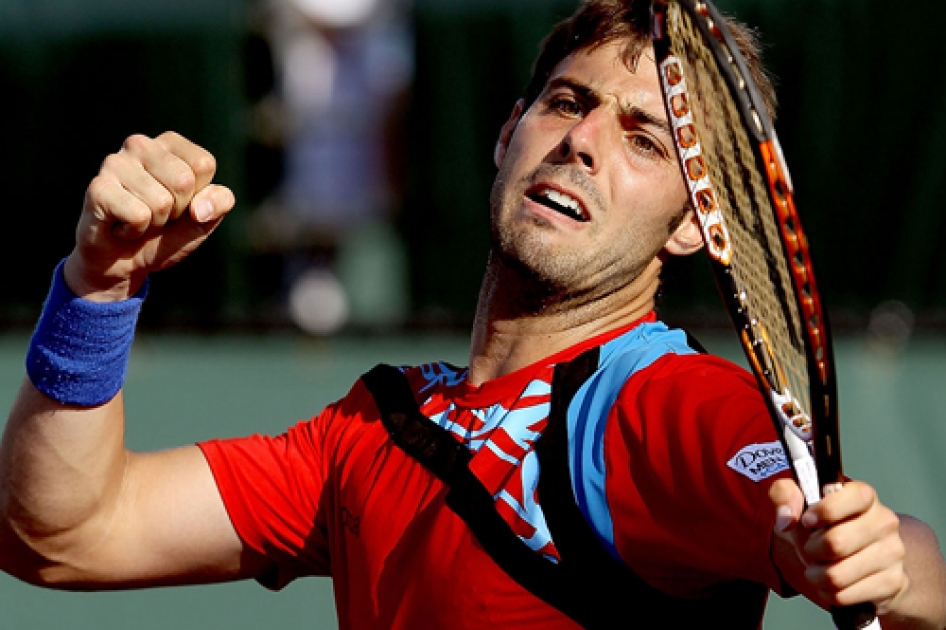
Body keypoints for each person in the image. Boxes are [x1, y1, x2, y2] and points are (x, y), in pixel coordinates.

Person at [2, 0, 944, 628]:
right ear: (506, 134)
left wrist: (877, 558)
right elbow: (65, 535)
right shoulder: (371, 431)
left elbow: (899, 552)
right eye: (568, 102)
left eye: (645, 141)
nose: (581, 142)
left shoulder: (667, 409)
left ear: (695, 229)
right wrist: (99, 289)